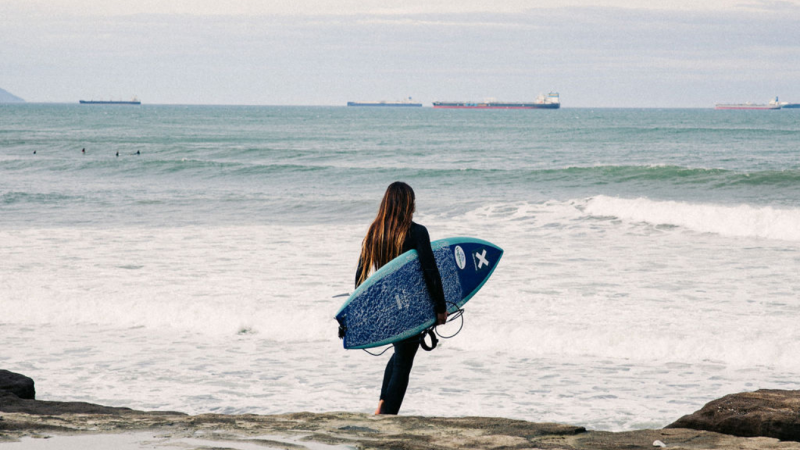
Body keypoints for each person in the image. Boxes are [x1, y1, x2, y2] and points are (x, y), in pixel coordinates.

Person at [355, 181, 447, 415]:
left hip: (387, 308)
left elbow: (360, 277)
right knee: (404, 362)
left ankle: (381, 407)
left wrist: (363, 312)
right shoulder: (417, 232)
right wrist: (440, 307)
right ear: (408, 204)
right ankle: (387, 416)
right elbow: (430, 272)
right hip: (410, 307)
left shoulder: (374, 231)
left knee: (400, 354)